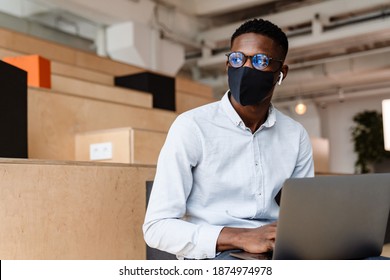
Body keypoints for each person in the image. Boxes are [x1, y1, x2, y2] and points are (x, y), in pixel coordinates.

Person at [143, 18, 314, 260]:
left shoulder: (295, 135)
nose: (245, 68)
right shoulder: (192, 126)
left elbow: (303, 214)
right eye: (237, 58)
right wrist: (239, 237)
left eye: (260, 60)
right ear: (227, 64)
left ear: (280, 73)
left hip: (278, 250)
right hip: (215, 254)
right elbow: (156, 228)